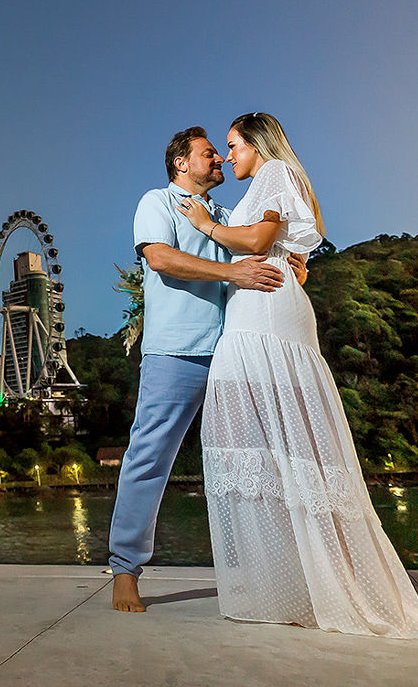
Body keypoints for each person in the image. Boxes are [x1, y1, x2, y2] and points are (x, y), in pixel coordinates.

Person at [178, 113, 418, 637]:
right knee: (270, 444)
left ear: (257, 143)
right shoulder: (268, 181)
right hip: (267, 306)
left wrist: (205, 225)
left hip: (265, 314)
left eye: (233, 145)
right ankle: (295, 586)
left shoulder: (275, 171)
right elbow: (290, 254)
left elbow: (257, 242)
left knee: (277, 441)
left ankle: (315, 587)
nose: (229, 155)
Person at [110, 126, 306, 613]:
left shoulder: (223, 215)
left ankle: (269, 568)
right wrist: (233, 271)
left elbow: (262, 248)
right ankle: (124, 570)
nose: (219, 158)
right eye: (207, 153)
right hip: (175, 352)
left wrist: (290, 264)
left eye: (223, 152)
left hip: (233, 352)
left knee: (249, 463)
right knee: (148, 458)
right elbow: (159, 258)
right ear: (180, 163)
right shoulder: (156, 201)